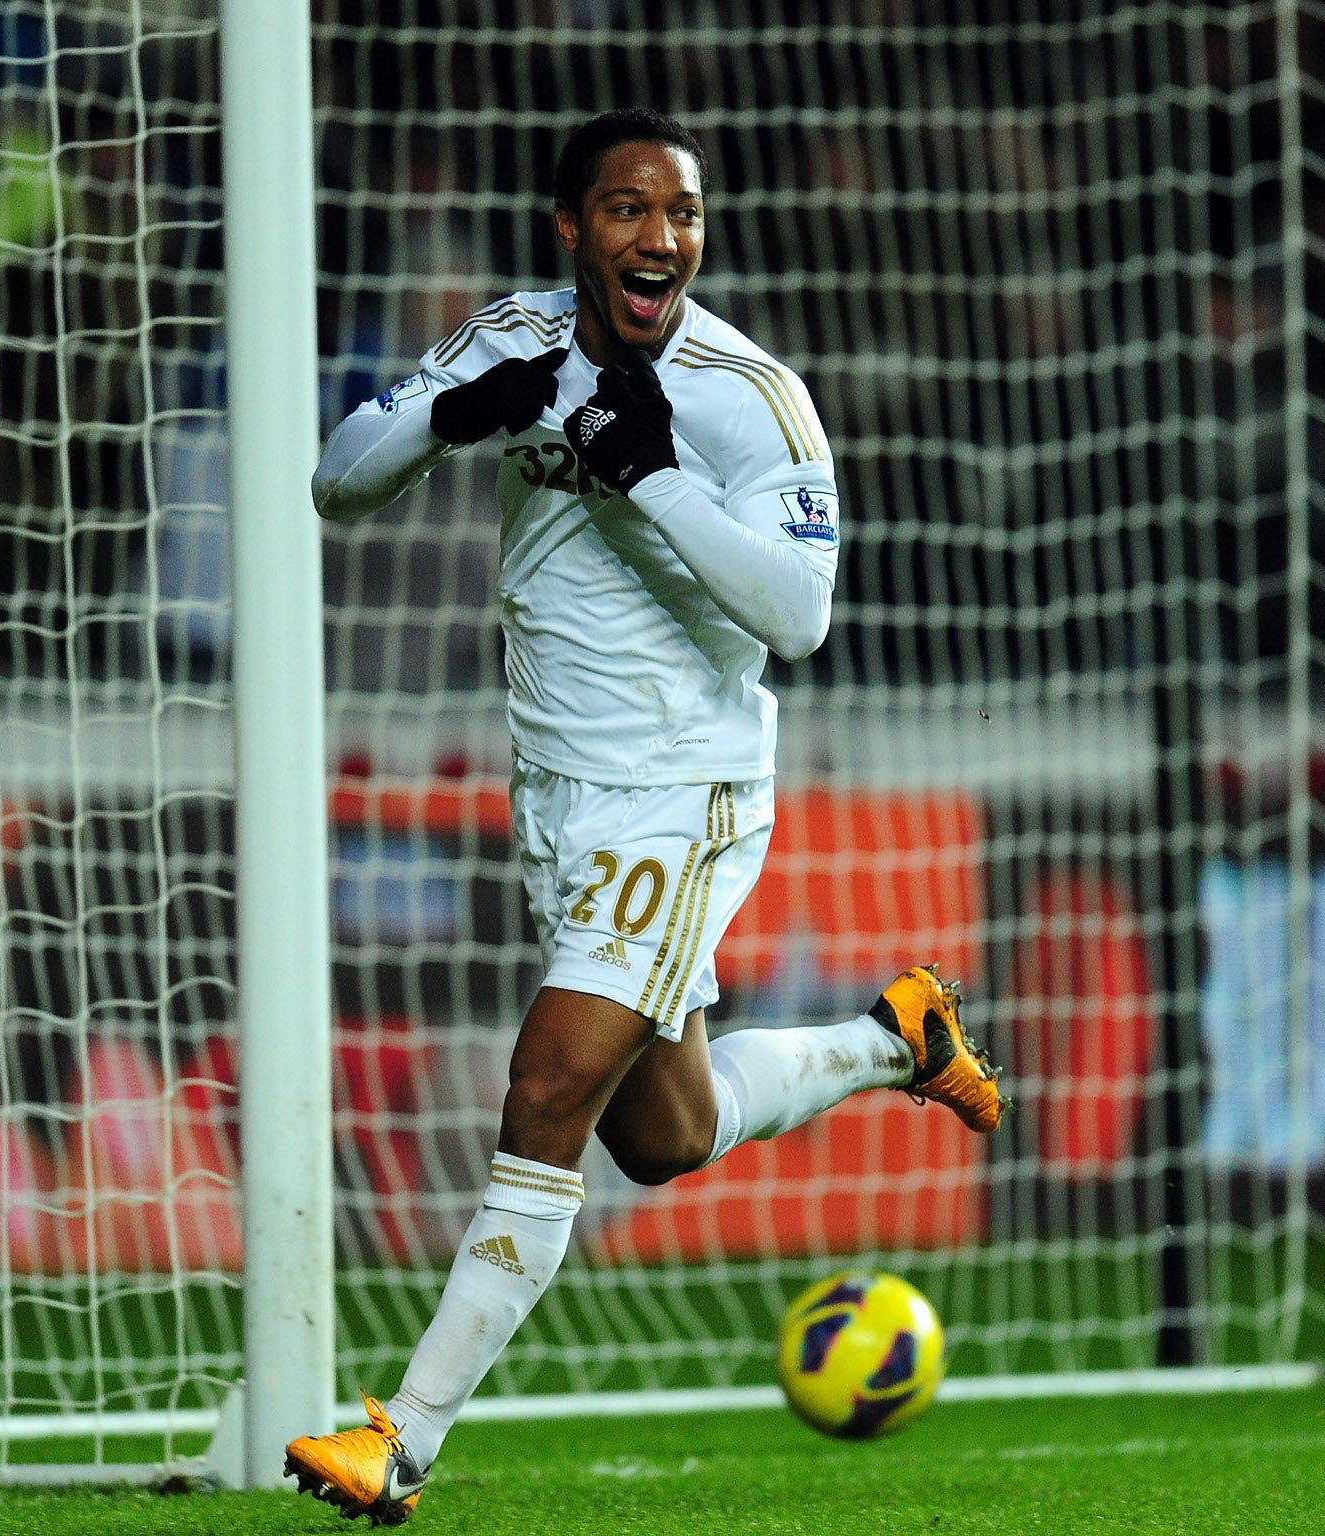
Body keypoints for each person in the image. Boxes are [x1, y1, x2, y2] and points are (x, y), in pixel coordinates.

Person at [286, 108, 1003, 1526]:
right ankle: (894, 1036)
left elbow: (801, 616)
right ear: (573, 231)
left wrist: (656, 475)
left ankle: (401, 1438)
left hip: (688, 796)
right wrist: (447, 415)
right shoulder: (511, 337)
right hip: (560, 795)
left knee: (548, 1088)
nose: (656, 237)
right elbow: (336, 484)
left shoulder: (753, 396)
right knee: (660, 1136)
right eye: (624, 210)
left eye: (677, 213)